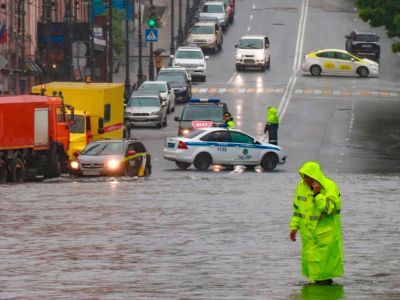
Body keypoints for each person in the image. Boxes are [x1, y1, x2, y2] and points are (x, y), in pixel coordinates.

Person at [290, 161, 343, 285]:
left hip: (325, 237)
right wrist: (294, 227)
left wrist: (318, 194)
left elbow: (330, 209)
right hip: (308, 236)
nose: (305, 180)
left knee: (324, 273)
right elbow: (297, 209)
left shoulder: (329, 186)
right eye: (303, 176)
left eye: (308, 177)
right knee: (313, 273)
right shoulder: (301, 187)